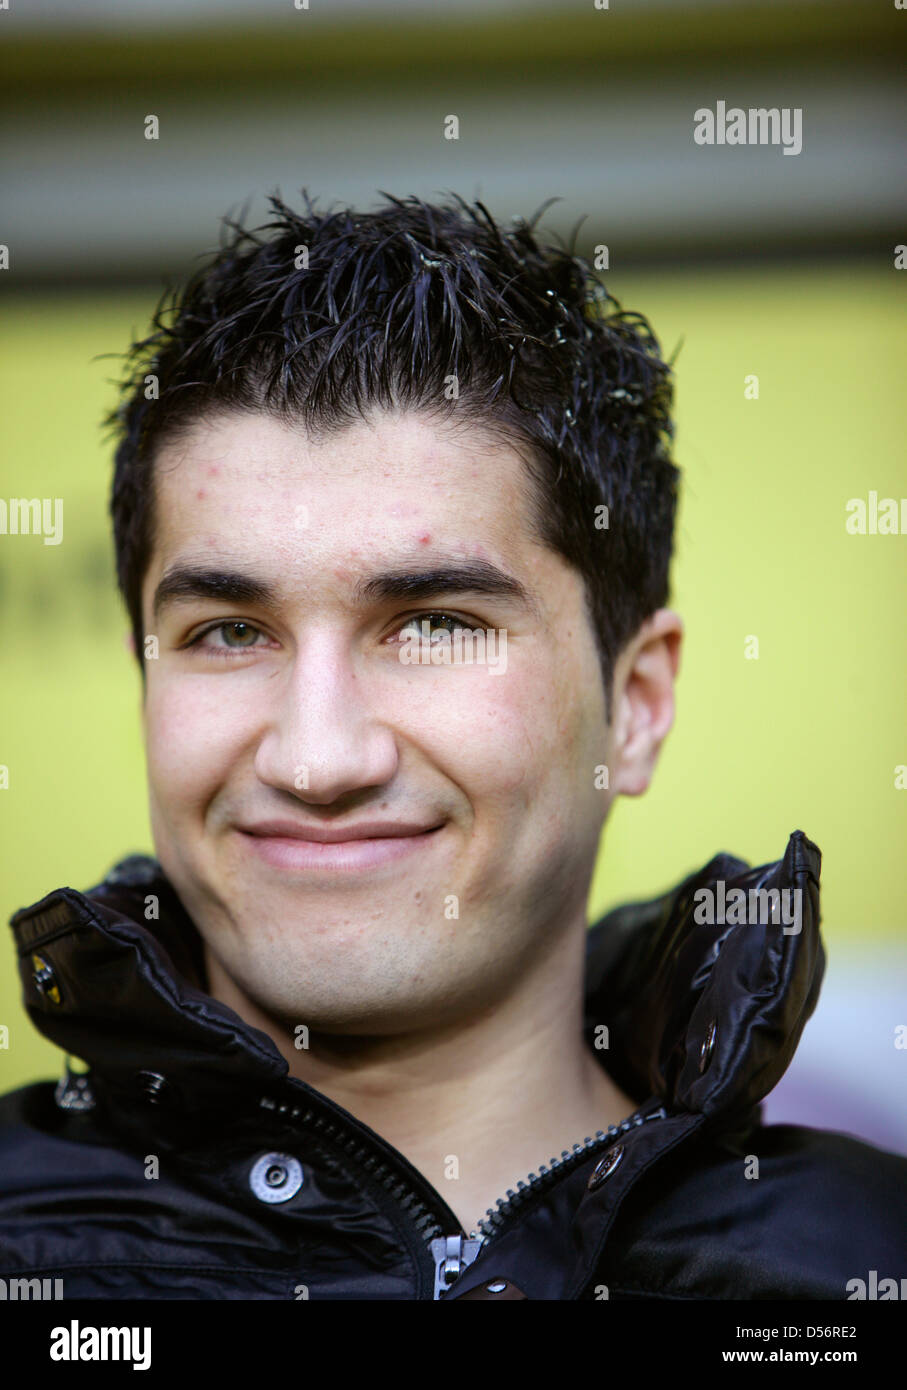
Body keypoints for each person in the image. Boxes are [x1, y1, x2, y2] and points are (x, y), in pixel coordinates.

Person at [1, 191, 904, 1301]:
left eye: (433, 625)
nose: (316, 758)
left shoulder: (866, 1265)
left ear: (636, 705)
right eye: (230, 632)